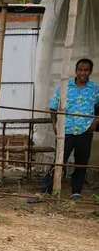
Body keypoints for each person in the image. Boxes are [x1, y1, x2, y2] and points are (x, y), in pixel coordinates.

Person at [41, 57, 99, 199]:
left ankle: (76, 191)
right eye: (80, 70)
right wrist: (55, 125)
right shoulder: (65, 87)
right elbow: (53, 107)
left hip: (85, 131)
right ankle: (47, 190)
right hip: (66, 130)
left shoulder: (95, 89)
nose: (83, 73)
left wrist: (94, 123)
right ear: (76, 71)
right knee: (59, 160)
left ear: (90, 72)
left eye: (86, 70)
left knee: (81, 162)